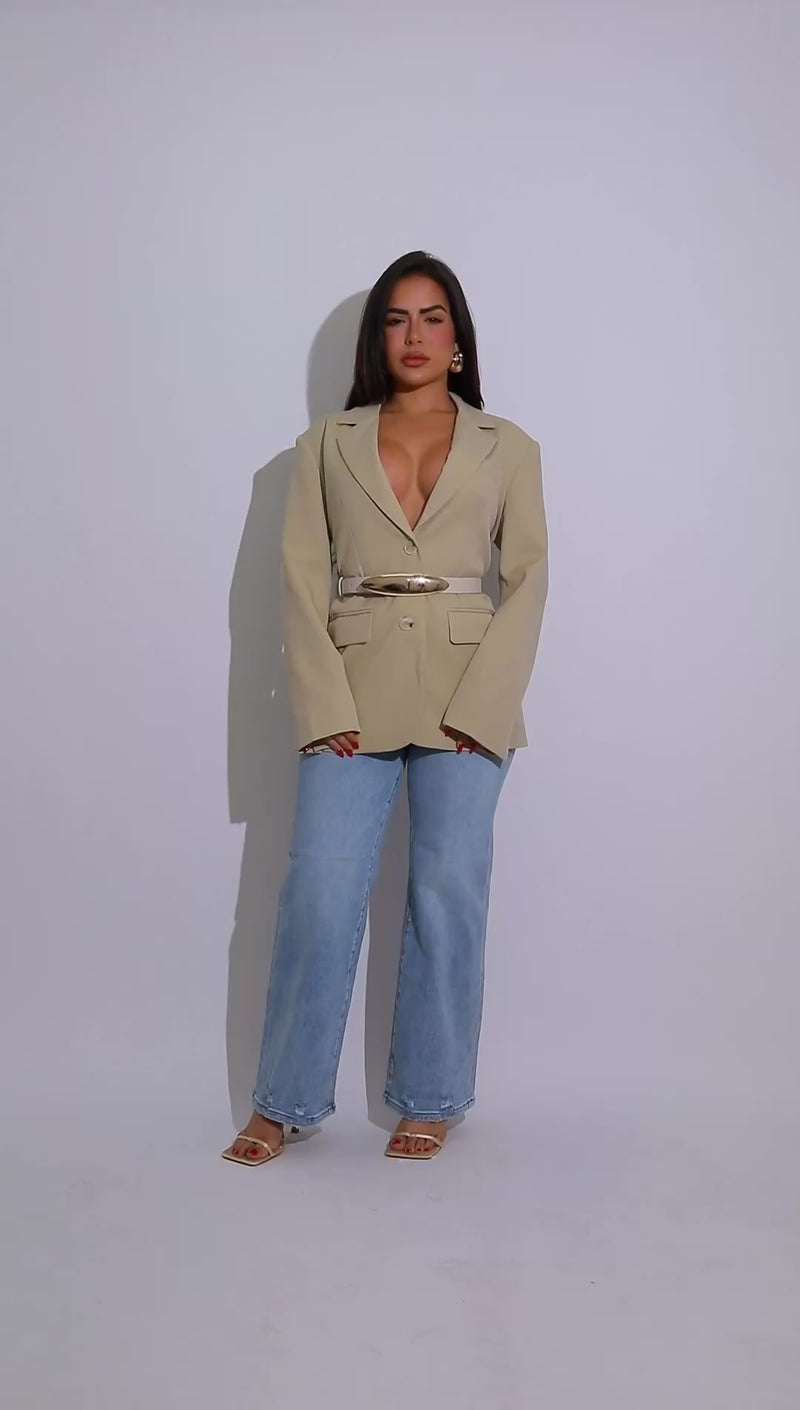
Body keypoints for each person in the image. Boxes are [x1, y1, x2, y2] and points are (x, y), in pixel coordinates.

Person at [222, 250, 548, 1165]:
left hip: (467, 691)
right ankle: (283, 1101)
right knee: (320, 892)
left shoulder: (509, 446)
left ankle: (431, 1097)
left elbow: (528, 581)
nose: (415, 335)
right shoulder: (326, 444)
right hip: (352, 687)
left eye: (432, 318)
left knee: (448, 893)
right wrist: (321, 701)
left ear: (458, 339)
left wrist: (486, 707)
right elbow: (298, 579)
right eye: (397, 319)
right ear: (377, 338)